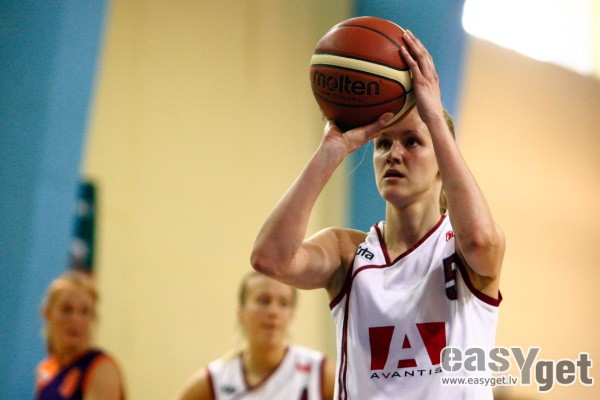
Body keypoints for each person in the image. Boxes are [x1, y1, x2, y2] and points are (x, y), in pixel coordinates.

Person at [251, 29, 505, 399]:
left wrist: (434, 115)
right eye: (383, 143)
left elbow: (479, 240)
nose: (393, 154)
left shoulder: (462, 249)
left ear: (442, 161)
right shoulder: (346, 253)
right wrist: (331, 150)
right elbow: (269, 259)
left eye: (412, 141)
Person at [174, 271, 336, 400]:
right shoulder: (215, 379)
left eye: (283, 303)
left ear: (291, 314)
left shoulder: (318, 371)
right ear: (241, 313)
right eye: (264, 301)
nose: (274, 312)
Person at [35, 270, 126, 400]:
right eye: (67, 310)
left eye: (84, 311)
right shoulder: (45, 370)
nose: (76, 320)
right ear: (48, 314)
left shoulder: (101, 368)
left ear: (93, 317)